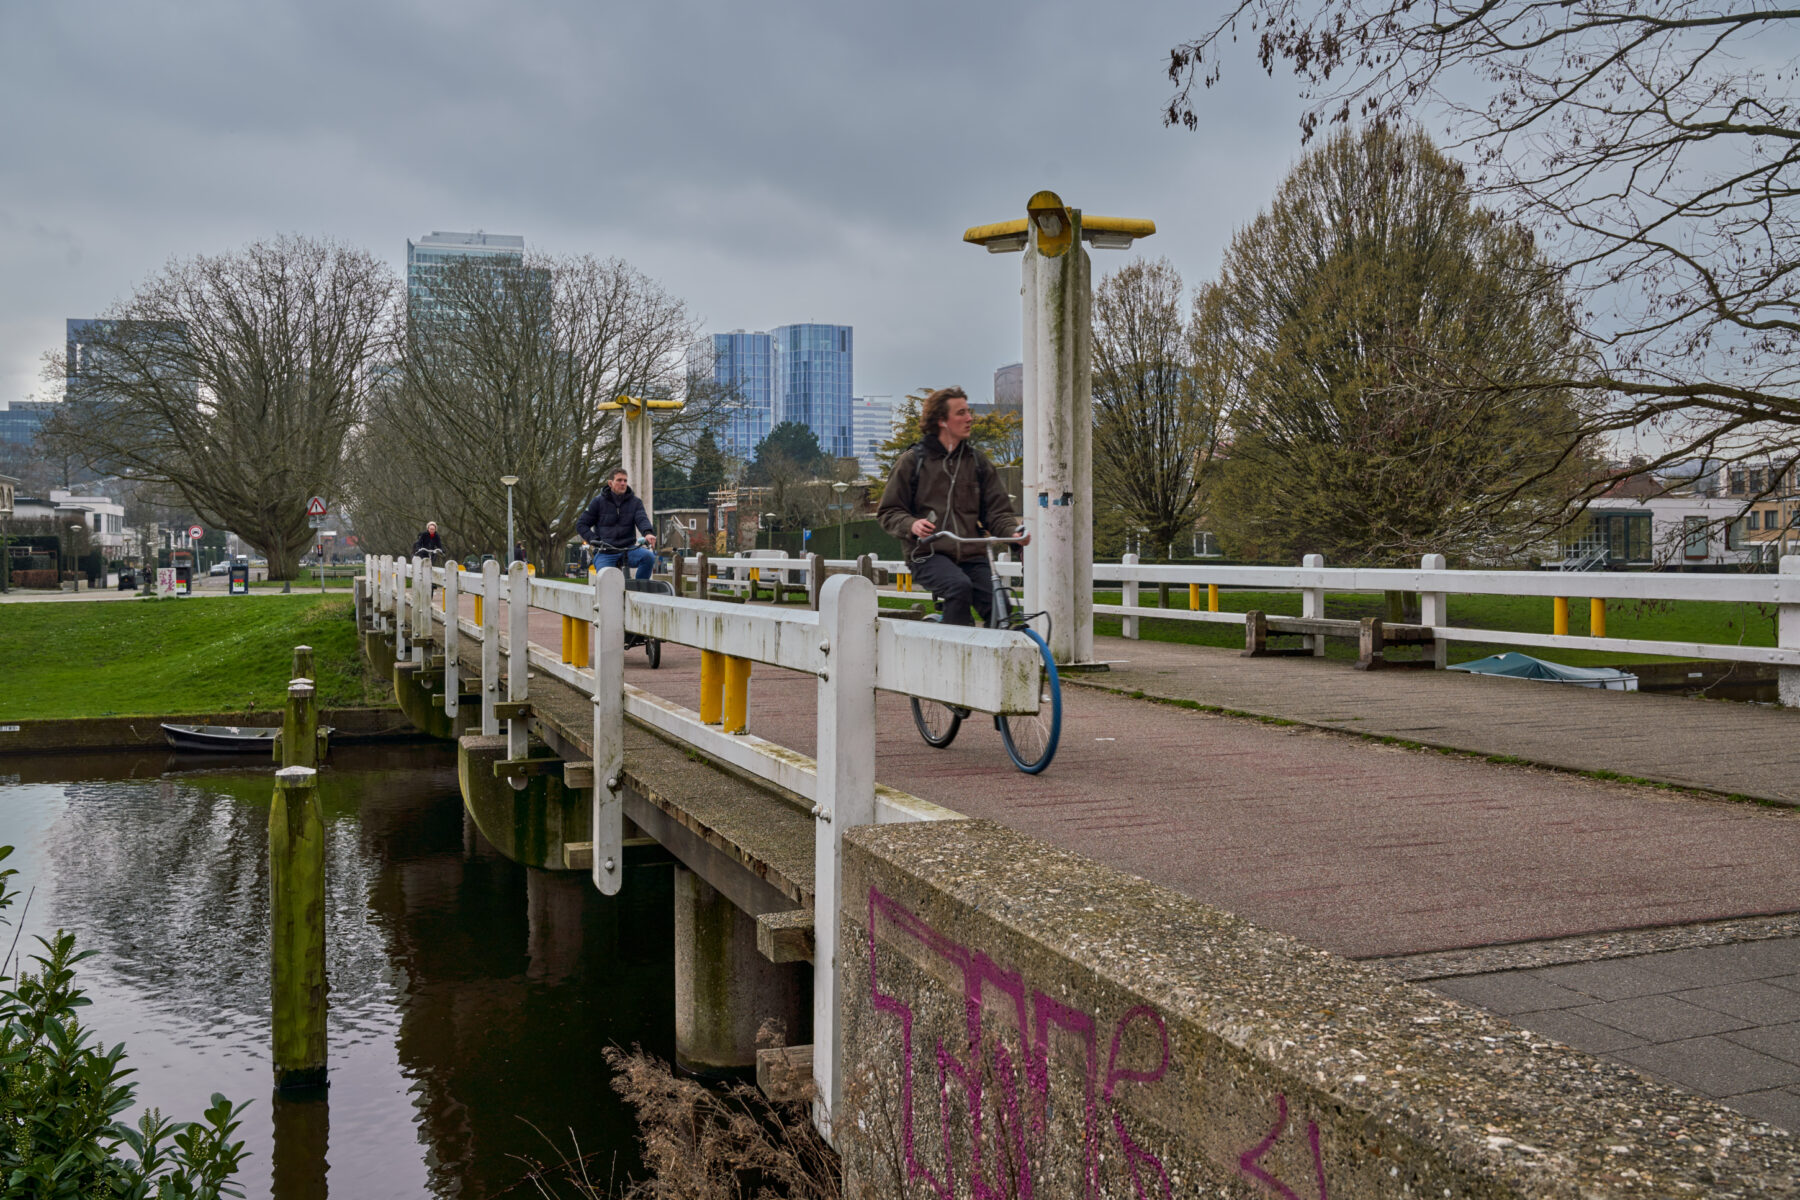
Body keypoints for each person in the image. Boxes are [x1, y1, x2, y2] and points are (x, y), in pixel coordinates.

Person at [877, 386, 1027, 627]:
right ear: (941, 421)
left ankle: (997, 658)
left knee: (1002, 608)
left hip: (971, 554)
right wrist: (912, 525)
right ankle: (956, 652)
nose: (969, 418)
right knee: (959, 587)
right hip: (927, 554)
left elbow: (997, 512)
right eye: (961, 413)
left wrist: (1013, 533)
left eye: (969, 412)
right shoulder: (912, 462)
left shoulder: (977, 463)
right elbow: (888, 511)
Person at [576, 467, 657, 580]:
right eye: (619, 480)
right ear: (610, 483)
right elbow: (581, 525)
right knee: (605, 580)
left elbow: (642, 519)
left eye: (625, 480)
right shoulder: (597, 502)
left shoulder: (635, 502)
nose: (623, 483)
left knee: (648, 557)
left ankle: (639, 587)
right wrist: (596, 540)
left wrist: (647, 532)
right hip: (605, 551)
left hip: (628, 549)